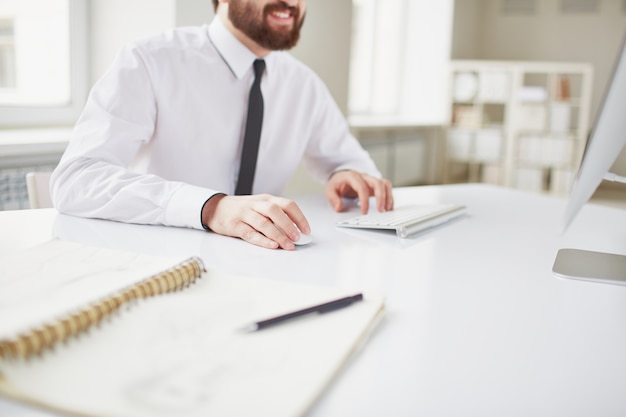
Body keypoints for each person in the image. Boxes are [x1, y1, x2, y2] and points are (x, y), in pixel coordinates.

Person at [50, 0, 393, 251]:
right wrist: (210, 207)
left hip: (268, 268)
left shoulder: (303, 84)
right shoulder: (150, 60)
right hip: (158, 269)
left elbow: (351, 163)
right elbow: (76, 180)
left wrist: (346, 174)